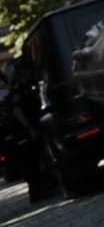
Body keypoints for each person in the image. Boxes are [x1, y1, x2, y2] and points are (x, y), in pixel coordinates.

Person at [7, 58, 59, 201]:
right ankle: (36, 191)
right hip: (23, 131)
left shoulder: (29, 86)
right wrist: (29, 128)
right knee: (30, 162)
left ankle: (44, 186)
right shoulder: (17, 91)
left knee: (38, 157)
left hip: (32, 127)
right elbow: (17, 111)